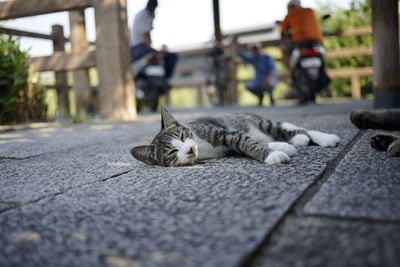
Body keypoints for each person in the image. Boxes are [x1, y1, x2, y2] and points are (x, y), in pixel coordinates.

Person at [131, 0, 178, 80]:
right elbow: (145, 35)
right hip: (140, 48)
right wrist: (153, 50)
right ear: (153, 7)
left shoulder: (142, 14)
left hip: (137, 48)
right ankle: (166, 79)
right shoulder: (145, 15)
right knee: (172, 56)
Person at [280, 0, 324, 69]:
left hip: (300, 42)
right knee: (322, 56)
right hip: (317, 40)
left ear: (289, 8)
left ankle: (291, 71)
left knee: (286, 52)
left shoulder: (289, 15)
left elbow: (283, 31)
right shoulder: (309, 11)